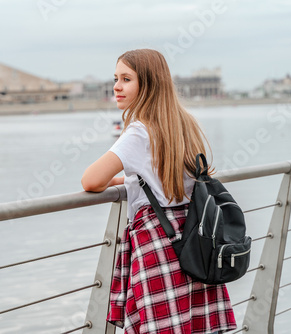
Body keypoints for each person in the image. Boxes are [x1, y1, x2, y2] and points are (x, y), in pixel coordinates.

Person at [81, 49, 237, 334]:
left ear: (149, 84)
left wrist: (114, 180)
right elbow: (169, 178)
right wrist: (127, 181)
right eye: (116, 78)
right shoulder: (183, 123)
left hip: (158, 246)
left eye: (126, 79)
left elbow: (90, 181)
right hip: (194, 241)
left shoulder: (139, 132)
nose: (116, 86)